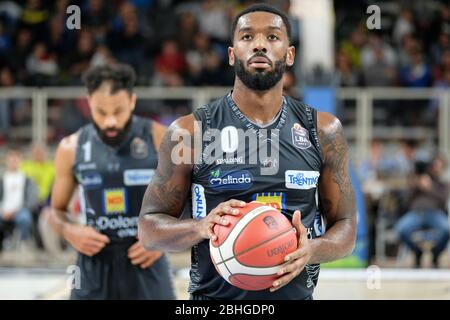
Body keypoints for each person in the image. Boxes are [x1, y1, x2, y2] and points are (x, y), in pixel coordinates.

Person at [139, 4, 356, 300]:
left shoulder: (323, 130)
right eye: (247, 36)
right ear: (231, 54)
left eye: (272, 36)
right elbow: (149, 229)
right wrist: (201, 227)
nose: (259, 44)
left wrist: (311, 249)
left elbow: (345, 228)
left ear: (289, 54)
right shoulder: (189, 133)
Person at [48, 64, 175, 300]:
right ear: (88, 103)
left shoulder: (160, 137)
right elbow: (55, 211)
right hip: (92, 265)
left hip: (147, 260)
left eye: (118, 111)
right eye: (101, 112)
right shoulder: (70, 147)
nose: (110, 122)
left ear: (132, 101)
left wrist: (165, 240)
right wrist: (70, 231)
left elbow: (193, 199)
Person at [394, 155, 450, 268]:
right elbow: (406, 202)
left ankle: (436, 253)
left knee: (447, 230)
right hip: (416, 214)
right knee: (400, 229)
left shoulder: (442, 184)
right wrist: (415, 185)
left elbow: (444, 200)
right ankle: (417, 252)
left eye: (439, 166)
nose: (436, 169)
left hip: (434, 213)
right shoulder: (416, 180)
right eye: (435, 165)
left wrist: (431, 187)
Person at [0, 148, 38, 251]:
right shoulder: (2, 179)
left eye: (15, 160)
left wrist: (15, 211)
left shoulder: (28, 179)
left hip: (21, 210)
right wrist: (3, 211)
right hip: (3, 210)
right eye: (11, 160)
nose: (13, 162)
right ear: (6, 161)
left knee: (24, 219)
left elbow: (32, 200)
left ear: (20, 161)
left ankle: (23, 243)